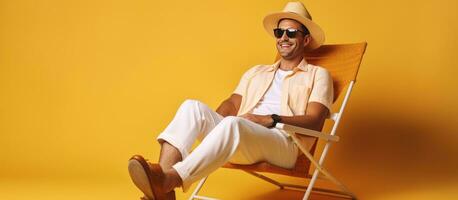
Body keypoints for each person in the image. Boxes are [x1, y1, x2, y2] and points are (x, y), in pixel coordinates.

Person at [127, 2, 333, 200]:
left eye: (291, 33)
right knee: (192, 107)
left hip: (285, 143)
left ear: (305, 40)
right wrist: (215, 125)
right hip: (242, 136)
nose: (283, 38)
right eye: (279, 33)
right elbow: (233, 104)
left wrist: (269, 119)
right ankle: (163, 189)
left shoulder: (318, 75)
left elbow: (315, 120)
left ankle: (168, 180)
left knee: (234, 123)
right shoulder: (256, 72)